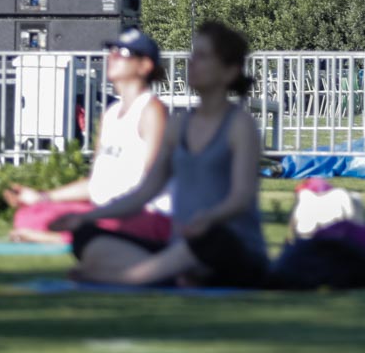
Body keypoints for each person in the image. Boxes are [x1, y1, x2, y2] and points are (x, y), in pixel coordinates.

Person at [54, 21, 268, 288]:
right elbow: (145, 192)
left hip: (228, 248)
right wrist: (87, 217)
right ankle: (167, 274)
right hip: (180, 247)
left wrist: (210, 218)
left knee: (212, 241)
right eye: (192, 56)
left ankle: (128, 278)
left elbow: (242, 196)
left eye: (202, 57)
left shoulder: (239, 124)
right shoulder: (179, 126)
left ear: (229, 71)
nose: (192, 63)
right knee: (88, 237)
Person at [3, 28, 170, 246]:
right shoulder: (110, 114)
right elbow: (96, 183)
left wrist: (97, 213)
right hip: (107, 208)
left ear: (145, 65)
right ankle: (74, 233)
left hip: (142, 211)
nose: (113, 57)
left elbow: (151, 181)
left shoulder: (151, 110)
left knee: (91, 222)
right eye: (112, 51)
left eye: (123, 53)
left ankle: (68, 237)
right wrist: (43, 197)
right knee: (30, 215)